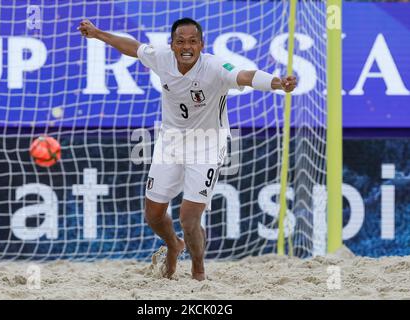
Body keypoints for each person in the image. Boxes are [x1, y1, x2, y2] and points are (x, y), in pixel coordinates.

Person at [78, 17, 297, 281]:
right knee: (153, 214)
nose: (186, 47)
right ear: (171, 45)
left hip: (207, 145)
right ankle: (173, 244)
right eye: (180, 41)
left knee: (189, 219)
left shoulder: (215, 67)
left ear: (201, 45)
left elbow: (245, 76)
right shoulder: (161, 58)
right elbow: (133, 47)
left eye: (192, 41)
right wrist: (98, 33)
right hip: (170, 143)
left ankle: (198, 271)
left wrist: (277, 83)